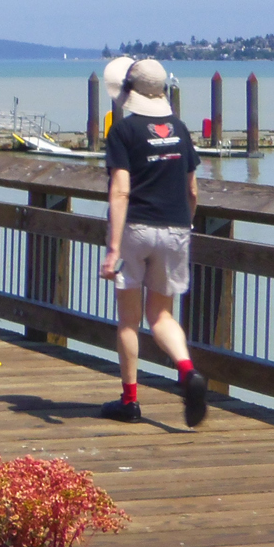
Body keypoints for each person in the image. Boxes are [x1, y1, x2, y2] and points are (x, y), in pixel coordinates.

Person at [98, 56, 209, 427]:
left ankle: (129, 401)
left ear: (128, 90)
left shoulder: (123, 131)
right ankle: (188, 371)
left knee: (129, 322)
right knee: (161, 315)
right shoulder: (180, 128)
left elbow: (120, 190)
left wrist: (113, 249)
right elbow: (192, 189)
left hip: (135, 228)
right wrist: (184, 225)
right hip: (176, 227)